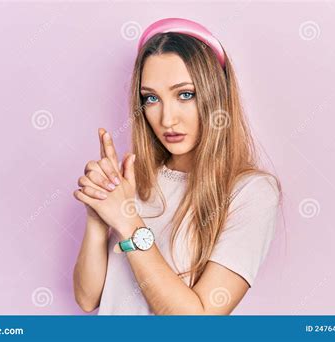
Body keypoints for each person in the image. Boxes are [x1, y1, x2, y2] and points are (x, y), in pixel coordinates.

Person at [72, 18, 282, 315]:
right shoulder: (134, 180)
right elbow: (87, 298)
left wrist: (129, 223)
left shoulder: (251, 192)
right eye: (151, 98)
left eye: (185, 94)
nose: (167, 118)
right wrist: (98, 215)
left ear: (215, 95)